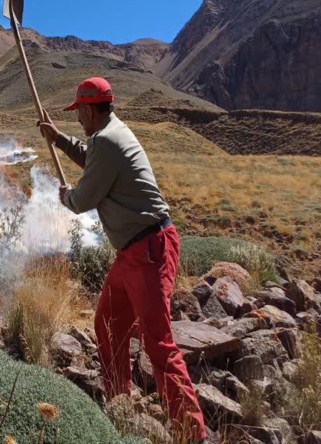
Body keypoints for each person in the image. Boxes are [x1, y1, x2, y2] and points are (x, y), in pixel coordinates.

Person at [38, 76, 207, 441]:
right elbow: (92, 161)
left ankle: (192, 433)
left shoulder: (108, 141)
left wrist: (66, 196)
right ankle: (120, 407)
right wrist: (59, 140)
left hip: (148, 250)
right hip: (133, 251)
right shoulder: (108, 136)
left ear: (87, 109)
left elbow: (83, 199)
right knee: (109, 321)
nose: (77, 119)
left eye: (78, 113)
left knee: (158, 344)